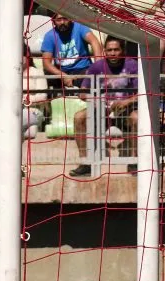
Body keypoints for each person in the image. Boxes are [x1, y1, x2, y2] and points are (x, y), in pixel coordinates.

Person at [70, 36, 137, 178]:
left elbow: (142, 93)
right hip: (101, 110)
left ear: (123, 50)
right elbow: (82, 92)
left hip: (125, 110)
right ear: (104, 51)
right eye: (109, 50)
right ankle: (85, 163)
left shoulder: (132, 65)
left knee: (137, 118)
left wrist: (126, 102)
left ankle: (134, 161)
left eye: (116, 50)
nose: (112, 53)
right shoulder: (96, 67)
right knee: (79, 117)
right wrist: (96, 100)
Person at [40, 12, 100, 91]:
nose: (62, 22)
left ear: (70, 19)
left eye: (65, 19)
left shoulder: (79, 27)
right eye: (59, 20)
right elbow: (46, 64)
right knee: (45, 76)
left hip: (82, 69)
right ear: (53, 21)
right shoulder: (49, 36)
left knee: (91, 77)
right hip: (61, 71)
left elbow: (94, 42)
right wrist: (63, 76)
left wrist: (97, 65)